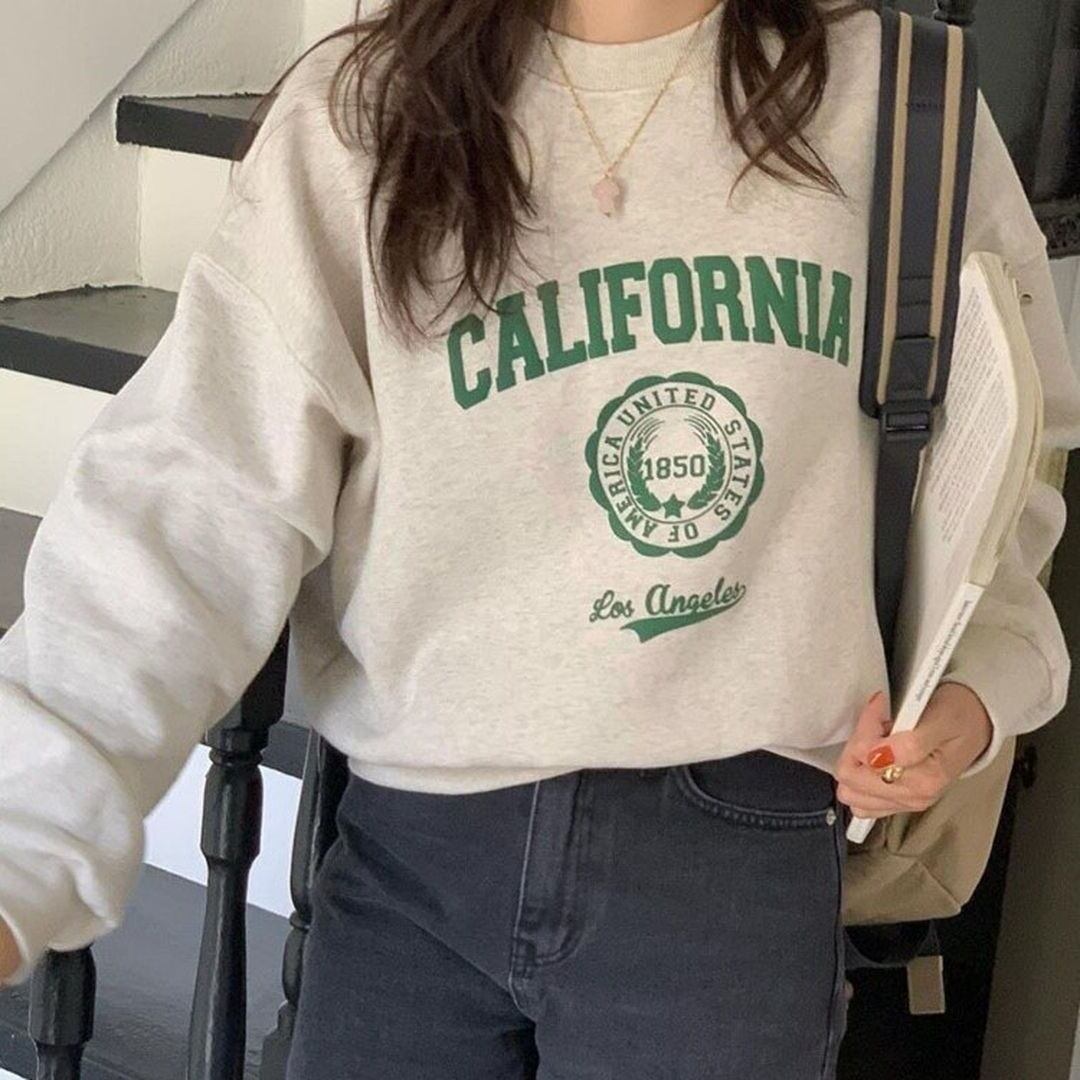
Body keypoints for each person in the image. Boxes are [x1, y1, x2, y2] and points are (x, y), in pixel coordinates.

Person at [2, 0, 1078, 1075]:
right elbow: (187, 501)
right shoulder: (361, 118)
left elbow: (1005, 465)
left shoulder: (903, 100)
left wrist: (975, 689)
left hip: (733, 863)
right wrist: (22, 841)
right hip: (413, 857)